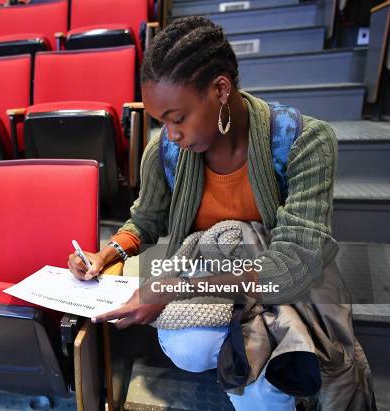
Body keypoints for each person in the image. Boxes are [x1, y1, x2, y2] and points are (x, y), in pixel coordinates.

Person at [67, 16, 372, 411]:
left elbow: (296, 263)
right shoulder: (165, 152)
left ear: (221, 89)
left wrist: (174, 288)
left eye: (178, 119)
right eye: (161, 122)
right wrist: (106, 255)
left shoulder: (303, 141)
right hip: (205, 268)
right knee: (190, 344)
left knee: (268, 355)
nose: (170, 134)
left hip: (278, 278)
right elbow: (145, 221)